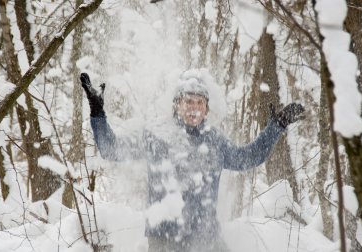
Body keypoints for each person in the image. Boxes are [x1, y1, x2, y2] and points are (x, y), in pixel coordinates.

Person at [80, 70, 304, 252]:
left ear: (206, 108)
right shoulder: (157, 135)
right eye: (188, 101)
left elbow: (247, 158)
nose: (194, 108)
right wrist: (98, 113)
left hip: (207, 240)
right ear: (177, 104)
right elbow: (112, 150)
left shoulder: (214, 140)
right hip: (165, 240)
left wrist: (277, 127)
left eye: (199, 102)